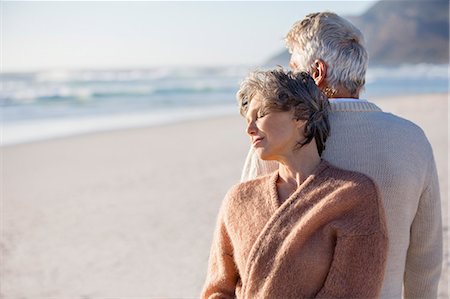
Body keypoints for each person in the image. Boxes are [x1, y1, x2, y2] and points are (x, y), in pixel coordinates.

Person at [240, 12, 443, 298]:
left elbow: (246, 243)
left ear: (316, 73)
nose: (287, 80)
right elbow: (425, 257)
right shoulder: (412, 139)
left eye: (294, 68)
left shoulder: (277, 141)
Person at [201, 69, 388, 298]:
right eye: (247, 120)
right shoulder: (238, 200)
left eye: (260, 115)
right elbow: (218, 289)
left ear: (301, 115)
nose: (249, 129)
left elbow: (351, 292)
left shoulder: (353, 196)